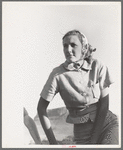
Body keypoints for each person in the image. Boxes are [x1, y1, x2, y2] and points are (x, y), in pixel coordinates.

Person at [37, 30, 119, 144]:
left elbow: (104, 105)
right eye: (65, 46)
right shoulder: (57, 75)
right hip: (82, 134)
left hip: (106, 125)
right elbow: (41, 108)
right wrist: (53, 143)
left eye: (73, 45)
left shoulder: (97, 66)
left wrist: (94, 141)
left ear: (84, 48)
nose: (68, 50)